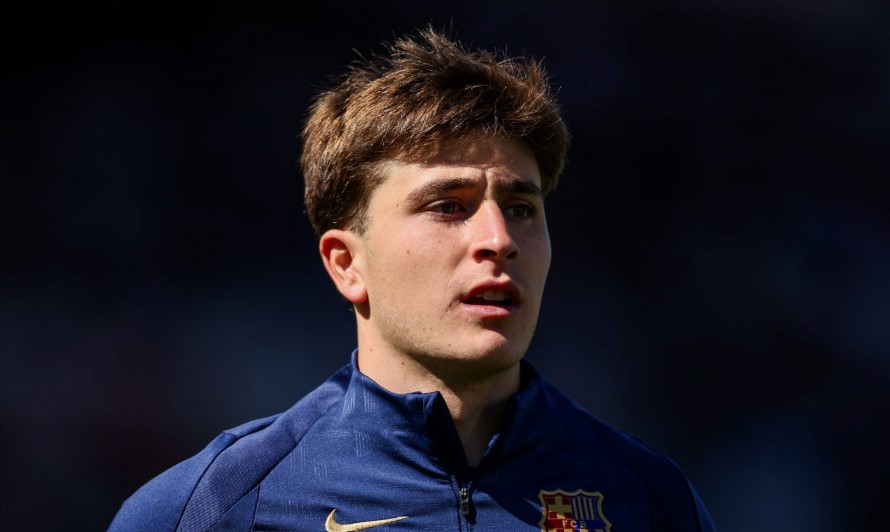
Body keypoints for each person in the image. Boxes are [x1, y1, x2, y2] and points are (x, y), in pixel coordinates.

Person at [110, 28, 715, 532]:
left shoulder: (651, 501)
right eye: (448, 206)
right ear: (346, 264)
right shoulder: (210, 509)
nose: (499, 239)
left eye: (521, 208)